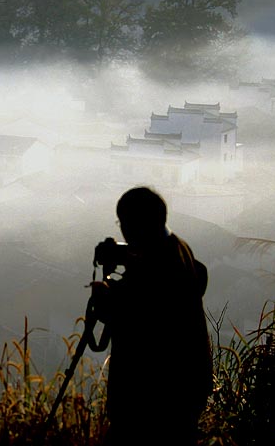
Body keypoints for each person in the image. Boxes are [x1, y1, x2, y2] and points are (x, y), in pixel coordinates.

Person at [94, 186, 213, 446]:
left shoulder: (157, 267)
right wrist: (120, 254)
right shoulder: (178, 248)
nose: (122, 230)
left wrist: (104, 295)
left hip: (149, 400)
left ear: (134, 224)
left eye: (123, 223)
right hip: (183, 390)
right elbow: (148, 256)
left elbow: (132, 318)